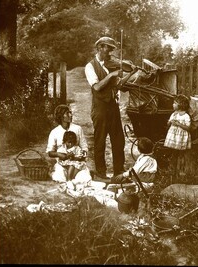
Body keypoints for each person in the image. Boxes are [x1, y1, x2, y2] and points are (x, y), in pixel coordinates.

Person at [85, 36, 138, 180]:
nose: (110, 52)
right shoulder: (90, 66)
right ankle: (101, 173)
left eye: (111, 49)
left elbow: (119, 86)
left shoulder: (112, 64)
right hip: (100, 108)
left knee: (118, 140)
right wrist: (112, 75)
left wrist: (131, 73)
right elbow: (97, 87)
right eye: (108, 48)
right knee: (100, 141)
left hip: (113, 107)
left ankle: (118, 172)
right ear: (100, 47)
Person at [46, 104, 89, 183]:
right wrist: (60, 155)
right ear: (61, 116)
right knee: (60, 178)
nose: (70, 115)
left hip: (77, 164)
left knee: (83, 179)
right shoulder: (54, 132)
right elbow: (50, 152)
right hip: (62, 164)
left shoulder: (77, 129)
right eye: (67, 113)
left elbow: (84, 147)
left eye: (70, 112)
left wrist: (80, 156)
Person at [164, 94, 191, 177]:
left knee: (181, 154)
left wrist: (178, 124)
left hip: (181, 138)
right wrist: (169, 123)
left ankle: (181, 171)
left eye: (175, 103)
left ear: (181, 104)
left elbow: (188, 128)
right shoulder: (174, 114)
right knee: (174, 153)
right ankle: (173, 171)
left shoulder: (186, 116)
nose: (173, 104)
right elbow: (168, 124)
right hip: (174, 137)